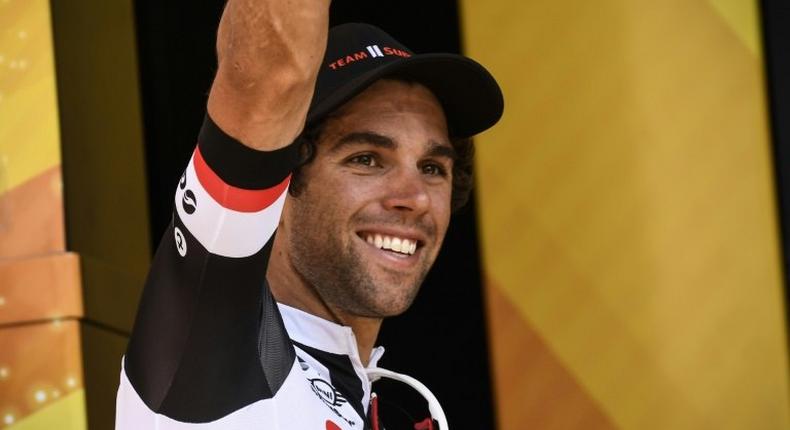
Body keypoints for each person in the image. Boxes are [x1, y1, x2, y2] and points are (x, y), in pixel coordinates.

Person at [115, 1, 503, 429]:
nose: (414, 197)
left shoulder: (389, 406)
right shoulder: (208, 352)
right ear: (278, 183)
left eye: (432, 168)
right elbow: (271, 72)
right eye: (367, 159)